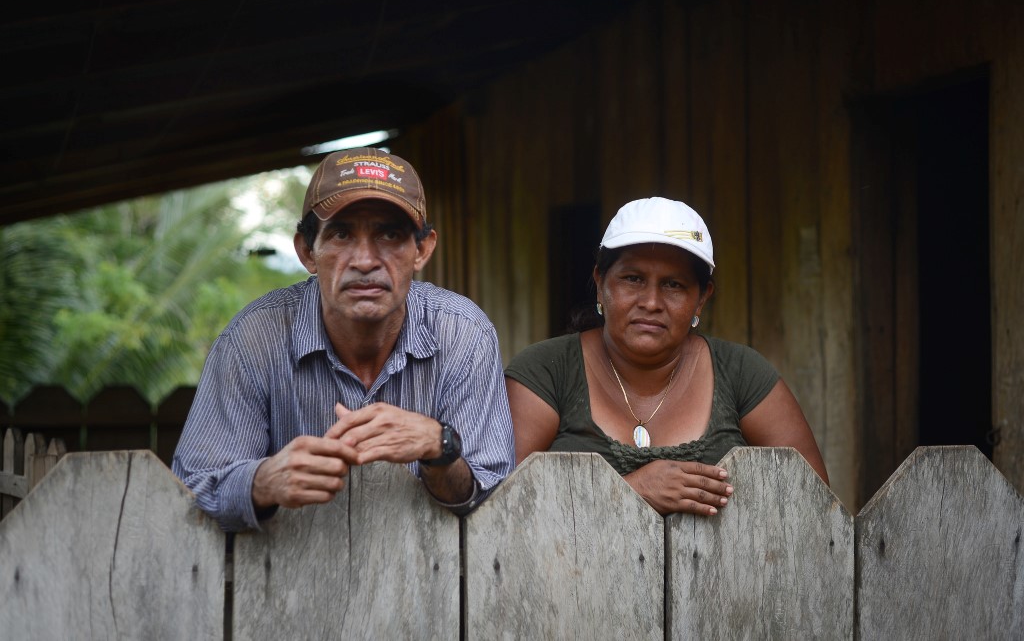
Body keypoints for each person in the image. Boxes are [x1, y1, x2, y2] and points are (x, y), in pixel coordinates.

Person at [172, 147, 515, 531]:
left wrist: (441, 447)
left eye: (390, 234)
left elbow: (493, 499)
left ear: (422, 250)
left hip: (433, 566)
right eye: (341, 233)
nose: (365, 261)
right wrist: (261, 483)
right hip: (284, 566)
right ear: (307, 251)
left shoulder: (464, 334)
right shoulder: (253, 340)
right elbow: (191, 489)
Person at [505, 196, 828, 516]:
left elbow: (815, 506)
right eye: (633, 279)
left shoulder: (742, 374)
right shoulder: (546, 372)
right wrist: (630, 491)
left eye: (673, 284)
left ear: (701, 298)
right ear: (600, 283)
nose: (651, 302)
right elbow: (501, 509)